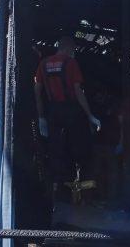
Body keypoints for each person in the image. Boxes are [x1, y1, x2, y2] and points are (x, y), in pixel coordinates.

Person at [34, 37, 101, 194]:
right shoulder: (71, 63)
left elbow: (37, 91)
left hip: (53, 112)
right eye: (73, 50)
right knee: (80, 149)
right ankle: (84, 193)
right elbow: (78, 91)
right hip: (71, 111)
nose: (74, 53)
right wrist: (89, 115)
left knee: (56, 151)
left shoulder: (43, 64)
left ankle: (60, 192)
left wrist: (41, 116)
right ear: (68, 48)